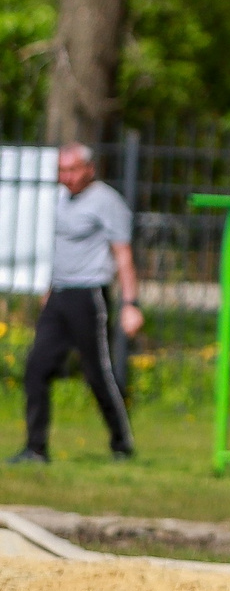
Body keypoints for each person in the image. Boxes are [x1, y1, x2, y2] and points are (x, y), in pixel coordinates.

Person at [10, 143, 142, 464]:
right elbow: (59, 249)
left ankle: (121, 443)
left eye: (72, 170)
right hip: (59, 294)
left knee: (97, 374)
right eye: (61, 170)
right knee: (36, 368)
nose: (65, 177)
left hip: (89, 296)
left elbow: (123, 254)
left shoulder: (107, 201)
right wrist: (49, 289)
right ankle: (36, 449)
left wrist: (131, 303)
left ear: (89, 169)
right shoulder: (61, 199)